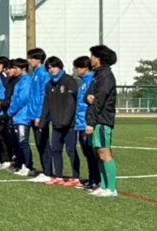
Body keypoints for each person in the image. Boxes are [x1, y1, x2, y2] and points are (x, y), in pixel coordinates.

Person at [85, 44, 119, 198]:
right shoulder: (97, 75)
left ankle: (111, 188)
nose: (90, 59)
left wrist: (91, 122)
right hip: (97, 119)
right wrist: (89, 98)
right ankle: (104, 185)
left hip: (102, 120)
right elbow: (89, 97)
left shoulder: (105, 76)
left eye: (92, 56)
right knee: (98, 154)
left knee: (105, 154)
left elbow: (99, 101)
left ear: (99, 58)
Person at [39, 56, 80, 186]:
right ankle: (59, 176)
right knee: (55, 150)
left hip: (69, 124)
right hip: (56, 124)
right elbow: (46, 105)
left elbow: (71, 104)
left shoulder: (69, 81)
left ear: (60, 67)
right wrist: (42, 121)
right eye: (49, 68)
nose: (51, 70)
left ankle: (76, 177)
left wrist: (66, 121)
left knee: (71, 150)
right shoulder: (49, 84)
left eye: (54, 67)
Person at [72, 56, 99, 191]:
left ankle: (97, 180)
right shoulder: (83, 82)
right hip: (80, 122)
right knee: (87, 153)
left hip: (87, 123)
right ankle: (91, 178)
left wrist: (90, 122)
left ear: (85, 68)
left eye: (78, 67)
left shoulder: (92, 81)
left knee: (92, 153)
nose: (76, 70)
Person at [26, 48, 52, 181]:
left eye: (31, 58)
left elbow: (43, 96)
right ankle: (45, 170)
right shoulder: (35, 74)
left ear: (39, 60)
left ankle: (48, 172)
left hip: (39, 115)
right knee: (39, 143)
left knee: (43, 143)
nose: (29, 61)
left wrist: (39, 116)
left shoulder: (43, 74)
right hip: (32, 113)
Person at [8, 58, 35, 176]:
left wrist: (10, 111)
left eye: (16, 68)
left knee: (23, 141)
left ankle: (28, 166)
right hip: (18, 116)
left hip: (23, 116)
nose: (14, 70)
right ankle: (22, 164)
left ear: (23, 69)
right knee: (19, 142)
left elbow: (22, 99)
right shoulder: (20, 81)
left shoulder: (27, 81)